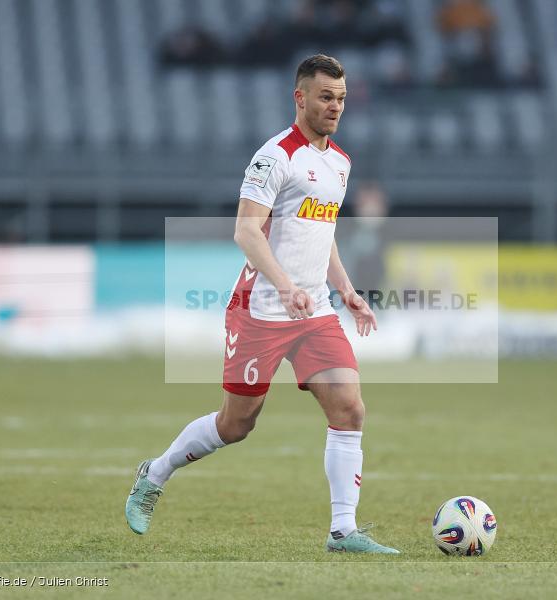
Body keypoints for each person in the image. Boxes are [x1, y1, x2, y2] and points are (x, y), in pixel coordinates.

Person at [125, 54, 399, 555]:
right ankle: (155, 473)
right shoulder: (274, 157)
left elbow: (323, 234)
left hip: (313, 310)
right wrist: (285, 284)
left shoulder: (339, 162)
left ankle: (343, 531)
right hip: (262, 309)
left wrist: (348, 291)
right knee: (237, 424)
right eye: (324, 97)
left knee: (350, 408)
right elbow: (246, 230)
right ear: (300, 98)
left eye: (340, 98)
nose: (335, 107)